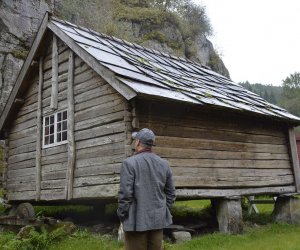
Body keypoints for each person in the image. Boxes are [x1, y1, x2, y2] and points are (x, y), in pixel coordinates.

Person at [117, 128, 176, 250]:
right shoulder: (164, 163)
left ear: (138, 142)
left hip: (135, 222)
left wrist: (122, 215)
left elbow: (125, 195)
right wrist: (163, 211)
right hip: (157, 221)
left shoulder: (129, 163)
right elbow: (171, 193)